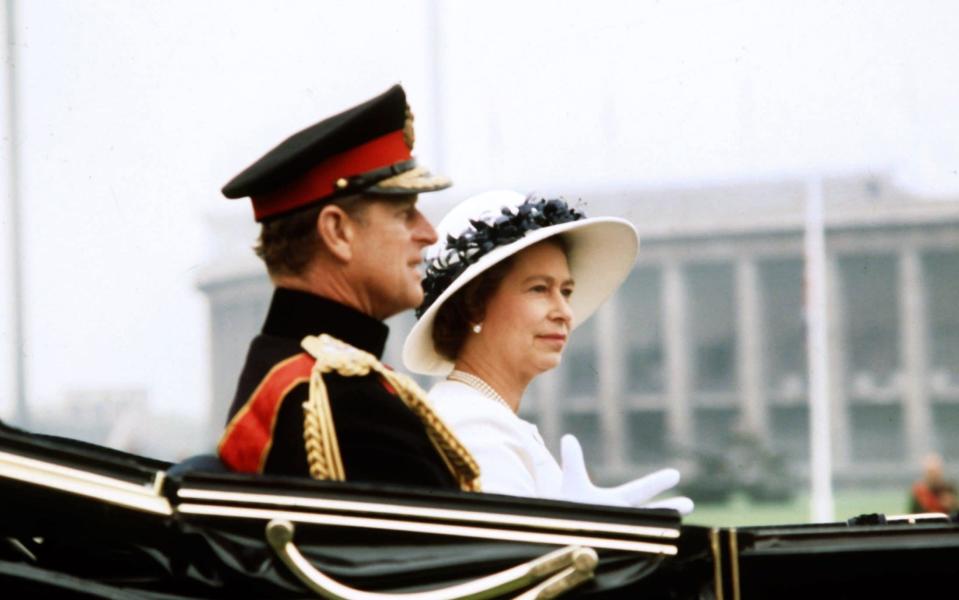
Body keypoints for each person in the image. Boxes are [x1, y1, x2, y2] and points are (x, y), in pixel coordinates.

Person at [216, 85, 479, 492]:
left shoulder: (298, 376)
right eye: (406, 213)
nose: (428, 234)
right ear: (337, 231)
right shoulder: (346, 402)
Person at [403, 190, 692, 512]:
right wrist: (587, 534)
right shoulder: (473, 426)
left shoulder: (484, 413)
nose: (564, 312)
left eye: (566, 291)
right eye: (539, 289)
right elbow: (508, 558)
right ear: (474, 306)